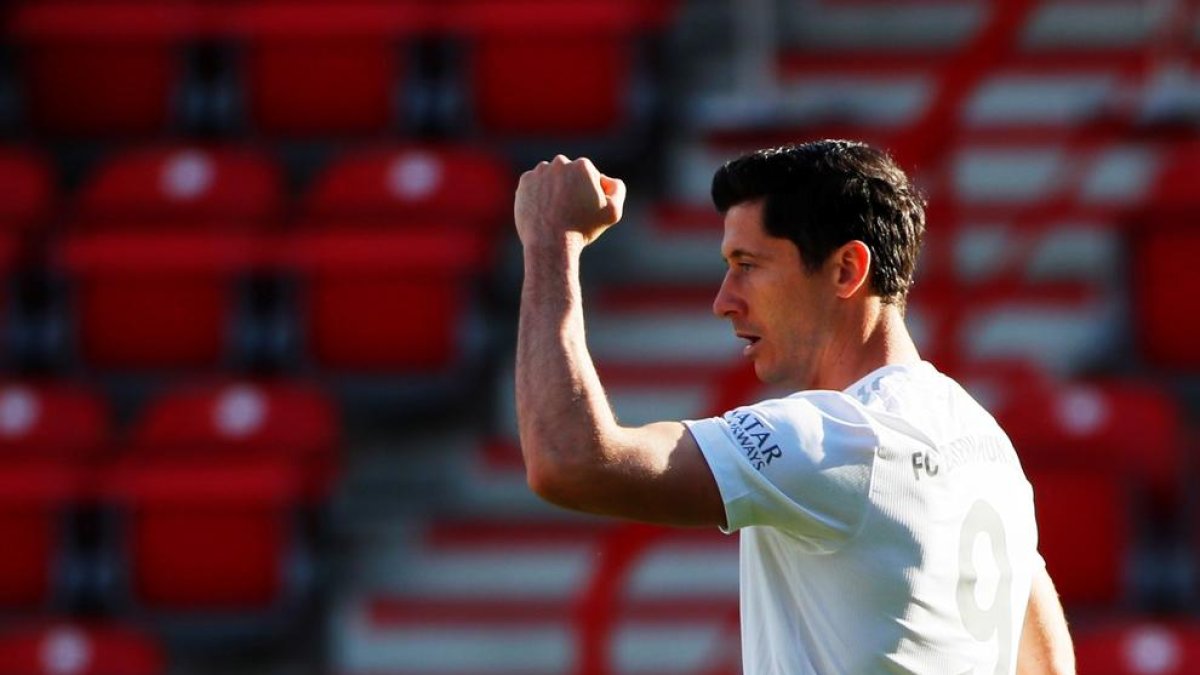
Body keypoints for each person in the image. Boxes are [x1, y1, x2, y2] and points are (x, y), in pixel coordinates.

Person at [513, 140, 1075, 674]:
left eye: (748, 265)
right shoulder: (985, 442)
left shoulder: (835, 437)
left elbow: (571, 460)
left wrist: (550, 242)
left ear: (846, 270)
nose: (723, 301)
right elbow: (1044, 661)